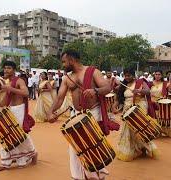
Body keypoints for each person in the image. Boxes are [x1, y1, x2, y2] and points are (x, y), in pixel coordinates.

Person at [47, 50, 119, 180]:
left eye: (64, 61)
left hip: (93, 112)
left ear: (72, 60)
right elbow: (59, 98)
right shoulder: (66, 78)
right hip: (76, 114)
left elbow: (107, 88)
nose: (63, 65)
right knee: (74, 147)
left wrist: (95, 91)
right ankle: (79, 177)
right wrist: (50, 112)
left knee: (90, 144)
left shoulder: (93, 72)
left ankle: (97, 174)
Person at [0, 61, 37, 173]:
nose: (6, 70)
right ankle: (6, 162)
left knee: (19, 136)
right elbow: (5, 101)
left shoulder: (19, 80)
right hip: (10, 110)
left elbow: (25, 93)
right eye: (5, 68)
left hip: (19, 110)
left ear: (14, 69)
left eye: (9, 68)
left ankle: (32, 154)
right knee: (7, 136)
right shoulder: (8, 82)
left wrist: (8, 88)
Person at [114, 68, 159, 162]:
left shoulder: (140, 82)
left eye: (129, 75)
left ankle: (143, 149)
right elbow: (118, 98)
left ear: (133, 75)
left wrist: (139, 91)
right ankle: (133, 150)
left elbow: (147, 91)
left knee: (139, 129)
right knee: (128, 131)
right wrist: (115, 107)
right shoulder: (124, 85)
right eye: (125, 76)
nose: (127, 77)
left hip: (139, 108)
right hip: (127, 110)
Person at [150, 70, 171, 136]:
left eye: (159, 74)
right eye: (156, 74)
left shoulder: (165, 84)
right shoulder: (150, 83)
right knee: (153, 118)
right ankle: (155, 131)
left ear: (161, 76)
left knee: (162, 117)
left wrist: (170, 88)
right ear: (154, 75)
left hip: (161, 103)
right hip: (152, 102)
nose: (157, 76)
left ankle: (163, 130)